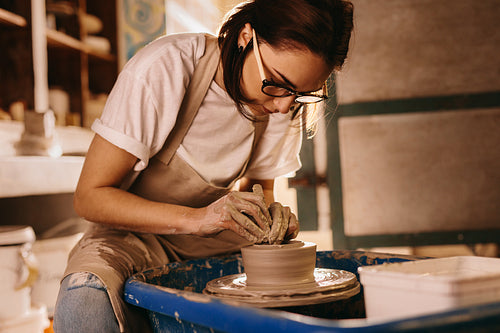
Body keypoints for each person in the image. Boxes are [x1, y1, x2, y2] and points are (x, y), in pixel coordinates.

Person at [53, 0, 353, 332]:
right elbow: (90, 198)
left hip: (217, 241)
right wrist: (197, 219)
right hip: (132, 238)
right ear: (245, 36)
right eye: (277, 84)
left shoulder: (284, 101)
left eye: (302, 94)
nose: (284, 106)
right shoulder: (169, 66)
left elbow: (257, 191)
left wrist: (270, 218)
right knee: (85, 296)